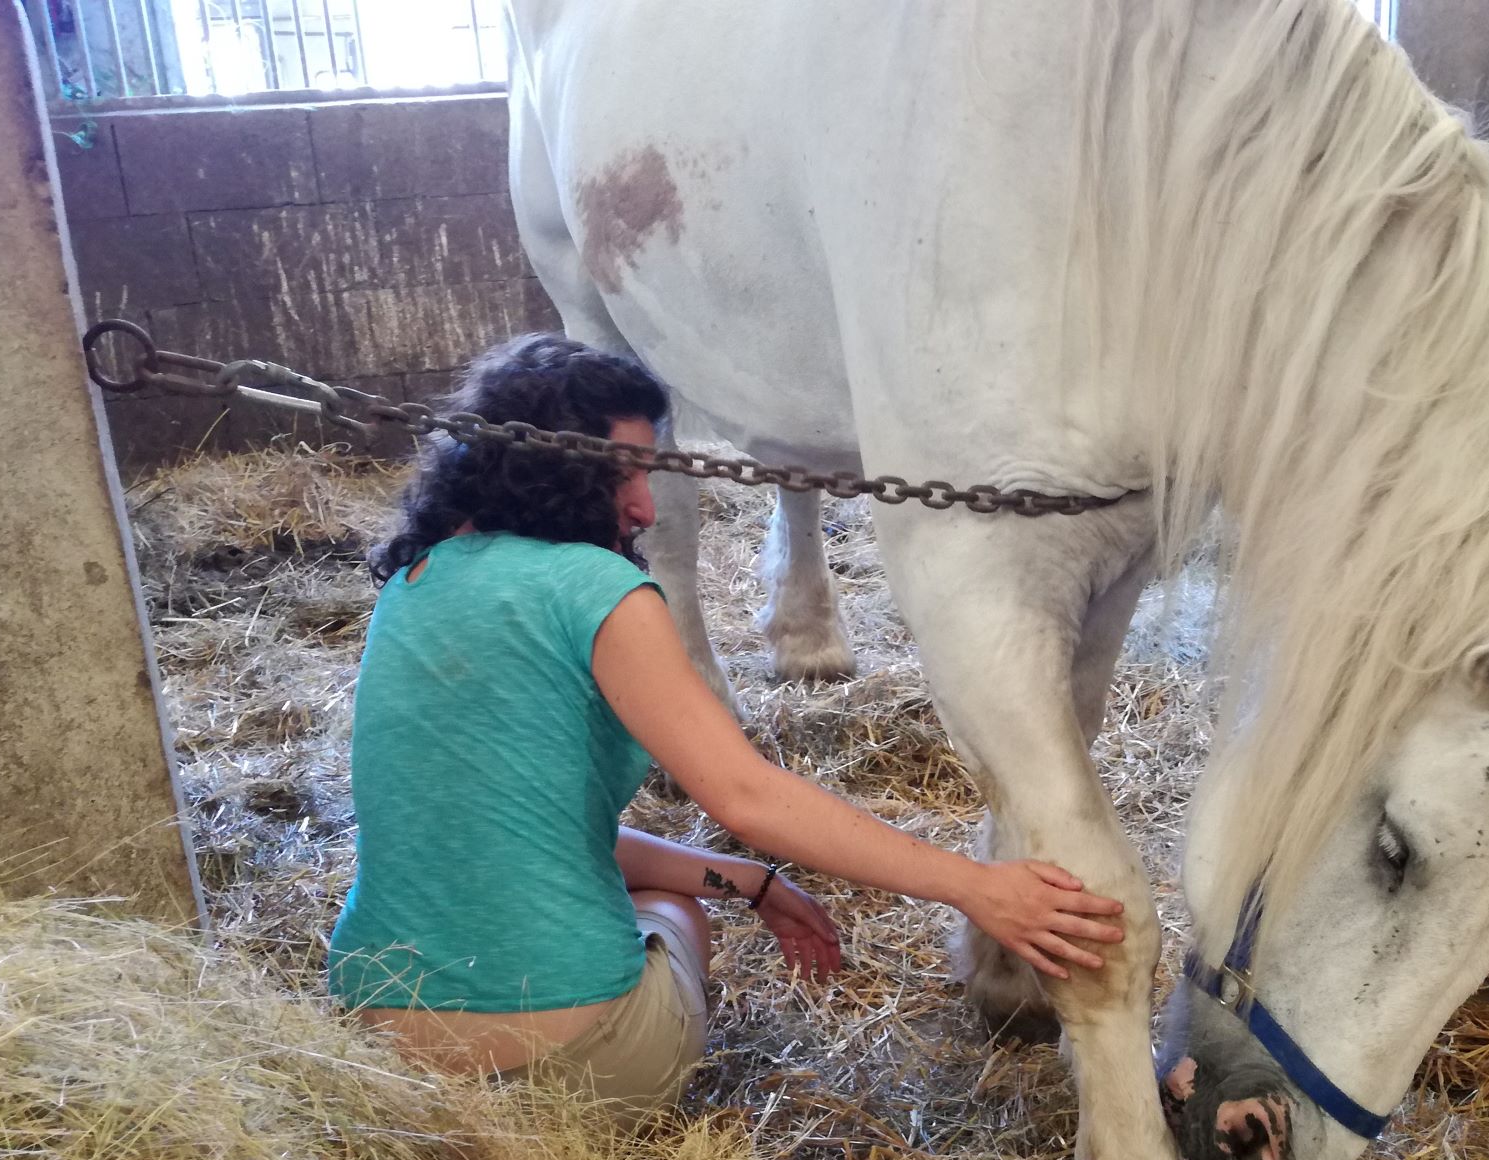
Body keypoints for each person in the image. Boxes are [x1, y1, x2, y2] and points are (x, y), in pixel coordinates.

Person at [327, 334, 1124, 1120]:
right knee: (678, 916)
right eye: (625, 474)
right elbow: (745, 796)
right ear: (549, 467)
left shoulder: (411, 581)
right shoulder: (594, 585)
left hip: (372, 1054)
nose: (643, 506)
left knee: (617, 883)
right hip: (574, 1066)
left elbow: (532, 833)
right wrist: (978, 888)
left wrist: (755, 880)